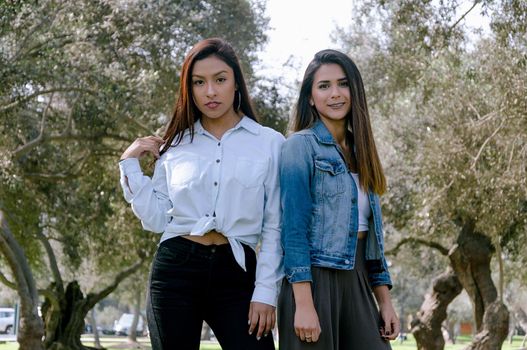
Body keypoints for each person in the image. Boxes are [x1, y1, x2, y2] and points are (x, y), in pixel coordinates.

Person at [118, 38, 283, 350]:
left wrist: (265, 292)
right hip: (176, 269)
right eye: (199, 82)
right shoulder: (176, 145)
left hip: (238, 270)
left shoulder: (270, 144)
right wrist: (129, 163)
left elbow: (275, 226)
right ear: (189, 88)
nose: (210, 91)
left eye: (220, 80)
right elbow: (155, 219)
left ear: (236, 84)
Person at [278, 49, 400, 349]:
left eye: (343, 84)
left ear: (354, 90)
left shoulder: (363, 152)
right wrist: (304, 303)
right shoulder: (299, 146)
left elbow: (374, 238)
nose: (335, 93)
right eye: (324, 86)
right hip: (314, 280)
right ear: (310, 97)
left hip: (359, 279)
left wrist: (385, 301)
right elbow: (293, 230)